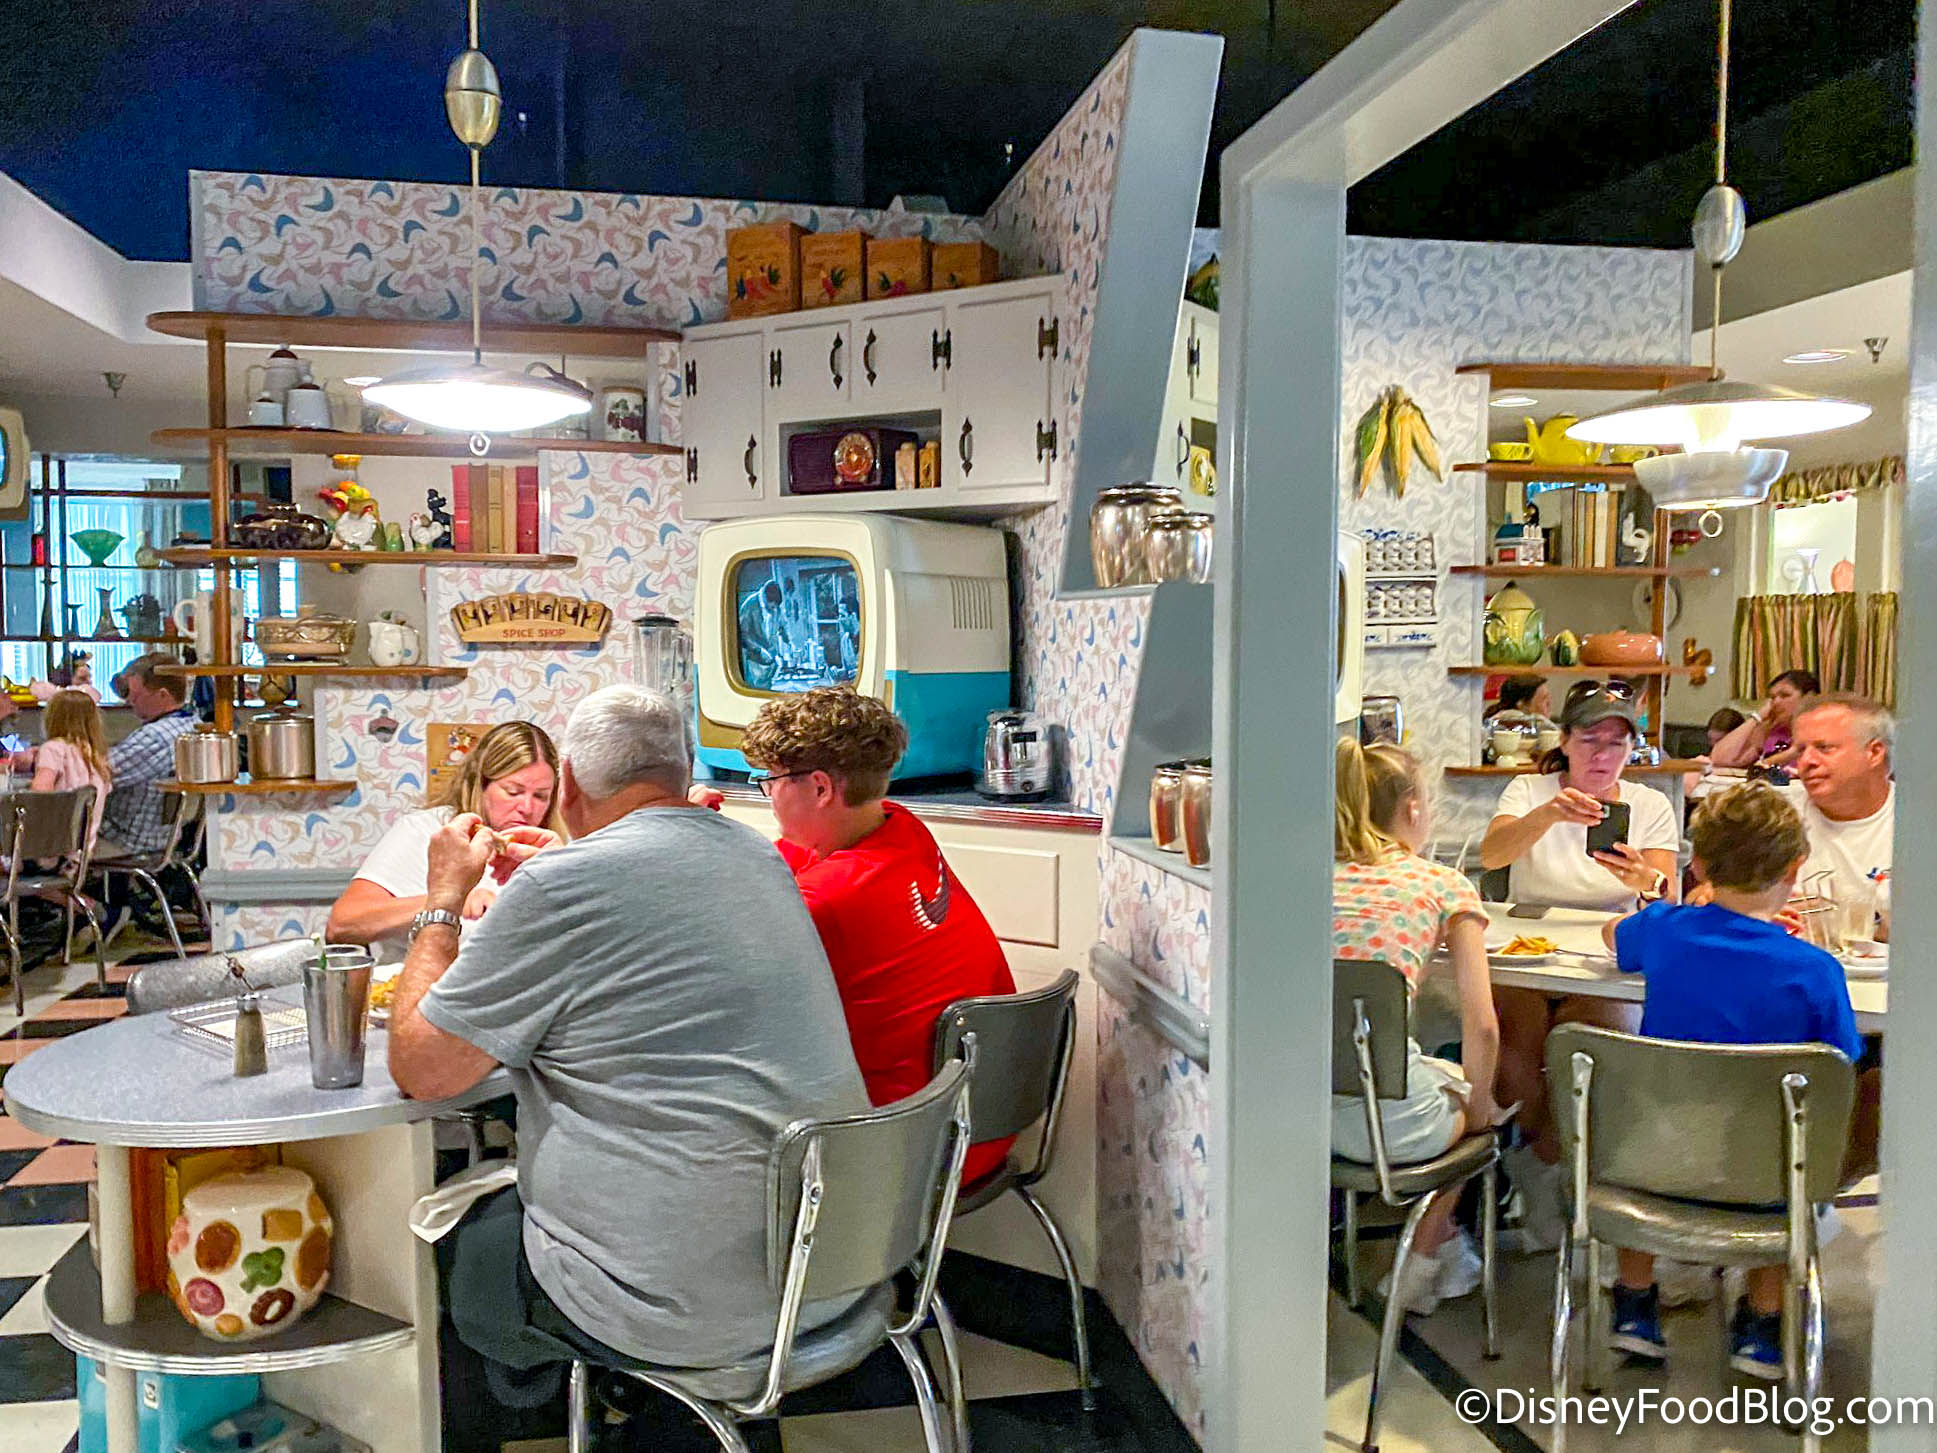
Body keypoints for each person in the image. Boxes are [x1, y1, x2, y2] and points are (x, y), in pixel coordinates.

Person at [388, 685, 870, 1387]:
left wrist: (441, 901)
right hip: (834, 1265)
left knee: (461, 1251)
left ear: (569, 785)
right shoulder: (758, 854)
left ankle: (581, 1403)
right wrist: (555, 875)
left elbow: (423, 1070)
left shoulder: (558, 886)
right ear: (681, 770)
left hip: (685, 1305)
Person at [1599, 784, 1862, 1379]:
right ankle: (1762, 1321)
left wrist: (1660, 905)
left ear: (1699, 866)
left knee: (1640, 1121)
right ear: (1795, 869)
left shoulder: (1665, 931)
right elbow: (1838, 1069)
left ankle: (1635, 1301)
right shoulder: (1816, 970)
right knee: (1789, 1139)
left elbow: (1616, 937)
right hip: (1764, 1177)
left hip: (1655, 1164)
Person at [740, 686, 1018, 1182]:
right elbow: (784, 862)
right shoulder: (900, 827)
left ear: (820, 789)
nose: (768, 795)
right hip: (981, 1118)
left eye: (770, 780)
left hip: (906, 1152)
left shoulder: (826, 900)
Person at [1478, 684, 1679, 1249]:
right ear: (1564, 741)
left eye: (1617, 743)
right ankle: (1543, 1168)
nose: (1602, 755)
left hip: (1605, 956)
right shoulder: (1529, 790)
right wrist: (1547, 815)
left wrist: (1644, 880)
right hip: (1525, 950)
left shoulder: (1649, 806)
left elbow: (1667, 899)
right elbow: (1493, 856)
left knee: (1591, 1054)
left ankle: (1557, 1172)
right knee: (1513, 1055)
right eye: (1590, 739)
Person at [1332, 739, 1500, 1315]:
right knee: (1477, 1109)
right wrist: (1481, 1105)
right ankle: (1419, 1261)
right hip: (1393, 1128)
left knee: (1433, 1072)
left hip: (1293, 1116)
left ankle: (1446, 1253)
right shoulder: (1442, 884)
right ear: (1411, 808)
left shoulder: (1300, 878)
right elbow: (1484, 1027)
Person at [327, 722, 564, 962]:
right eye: (513, 792)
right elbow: (342, 924)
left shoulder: (554, 848)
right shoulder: (427, 830)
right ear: (480, 785)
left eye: (540, 796)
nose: (527, 808)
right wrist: (448, 901)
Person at [1785, 694, 1894, 927]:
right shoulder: (1775, 818)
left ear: (1874, 752)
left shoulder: (1919, 822)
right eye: (1801, 750)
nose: (1806, 761)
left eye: (1824, 748)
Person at [95, 654, 198, 858]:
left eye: (136, 695)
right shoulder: (192, 723)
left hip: (127, 840)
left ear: (162, 695)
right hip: (167, 835)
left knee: (46, 840)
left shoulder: (155, 738)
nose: (129, 701)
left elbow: (97, 773)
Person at [1708, 669, 1819, 770]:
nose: (1776, 702)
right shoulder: (1769, 730)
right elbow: (1718, 759)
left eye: (1785, 695)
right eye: (1773, 697)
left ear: (1809, 698)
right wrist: (1757, 717)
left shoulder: (1821, 732)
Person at [737, 579, 789, 689]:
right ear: (765, 597)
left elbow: (781, 627)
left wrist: (789, 643)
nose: (774, 609)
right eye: (772, 606)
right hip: (754, 662)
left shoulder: (776, 607)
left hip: (771, 660)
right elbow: (743, 634)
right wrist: (759, 650)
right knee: (757, 689)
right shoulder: (750, 605)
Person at [1483, 676, 1552, 723]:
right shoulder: (1504, 728)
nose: (1549, 703)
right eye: (1543, 699)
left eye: (1549, 698)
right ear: (1521, 705)